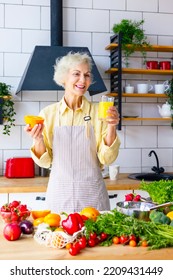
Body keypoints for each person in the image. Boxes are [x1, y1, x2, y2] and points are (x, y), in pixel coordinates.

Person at [24, 51, 120, 213]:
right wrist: (38, 139)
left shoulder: (99, 112)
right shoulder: (48, 114)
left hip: (92, 196)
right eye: (76, 74)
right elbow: (45, 162)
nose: (83, 80)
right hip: (60, 195)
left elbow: (107, 158)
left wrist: (111, 126)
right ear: (64, 78)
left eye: (87, 75)